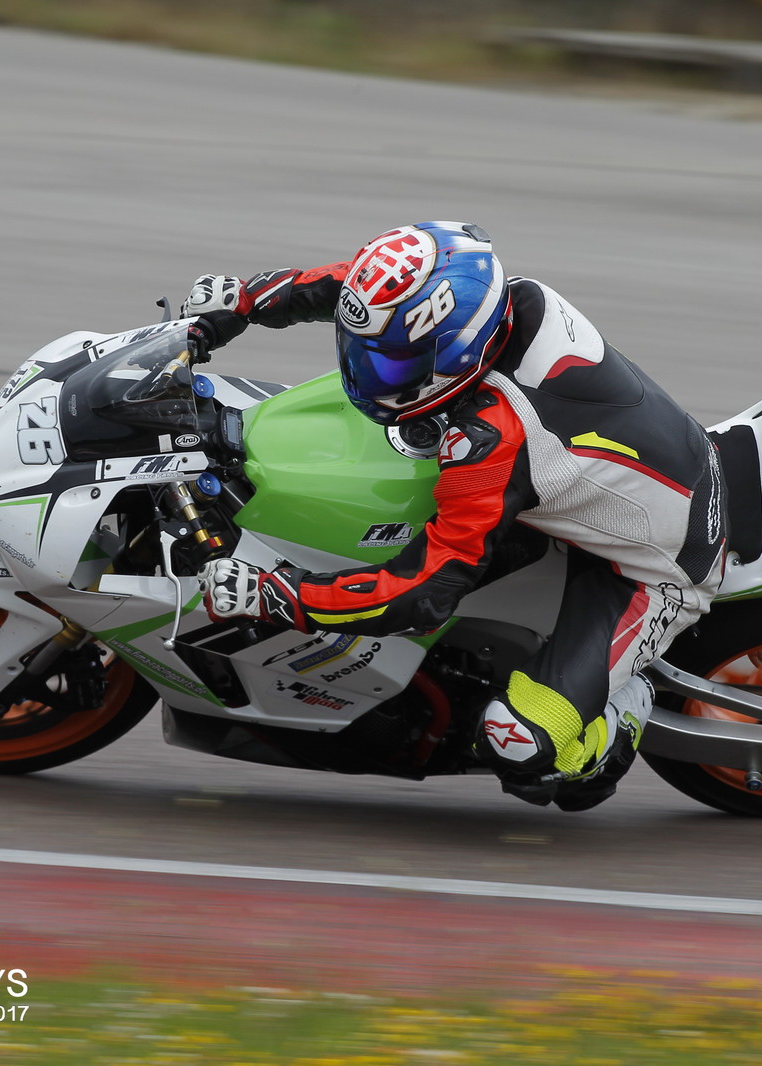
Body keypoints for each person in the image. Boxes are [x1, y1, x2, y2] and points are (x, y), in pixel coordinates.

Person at [182, 221, 727, 811]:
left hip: (655, 568)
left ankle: (624, 710)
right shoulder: (498, 300)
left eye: (396, 365)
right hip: (623, 480)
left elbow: (421, 596)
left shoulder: (491, 437)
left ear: (457, 350)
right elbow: (352, 289)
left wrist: (279, 595)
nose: (373, 376)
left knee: (522, 746)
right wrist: (246, 299)